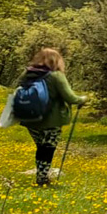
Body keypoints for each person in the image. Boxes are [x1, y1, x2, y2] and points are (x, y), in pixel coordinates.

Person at [17, 47, 83, 186]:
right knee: (48, 148)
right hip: (51, 120)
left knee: (41, 147)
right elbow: (69, 97)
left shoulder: (27, 73)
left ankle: (41, 175)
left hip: (30, 118)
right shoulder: (56, 76)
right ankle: (42, 177)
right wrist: (82, 99)